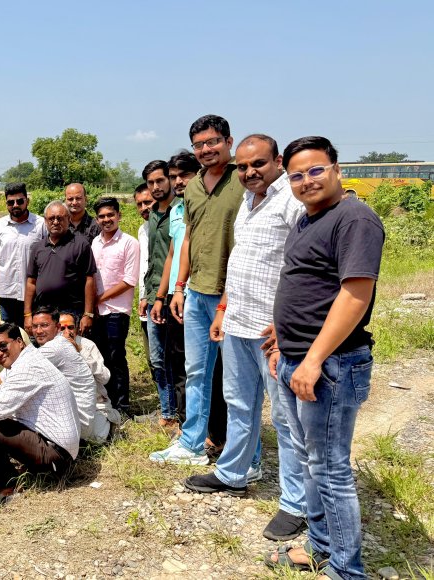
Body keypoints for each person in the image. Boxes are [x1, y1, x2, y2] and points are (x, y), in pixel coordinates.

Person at [266, 136, 383, 580]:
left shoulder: (355, 218)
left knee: (330, 470)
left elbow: (355, 294)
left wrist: (313, 360)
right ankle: (320, 547)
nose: (307, 181)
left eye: (316, 170)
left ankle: (346, 571)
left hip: (331, 365)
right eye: (296, 175)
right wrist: (283, 342)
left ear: (337, 169)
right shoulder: (307, 218)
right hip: (297, 359)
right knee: (310, 461)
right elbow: (306, 282)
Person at [182, 135, 308, 542]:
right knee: (239, 404)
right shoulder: (249, 203)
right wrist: (222, 310)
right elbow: (241, 262)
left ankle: (297, 503)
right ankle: (233, 473)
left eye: (258, 164)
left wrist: (289, 323)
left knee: (287, 419)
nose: (250, 172)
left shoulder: (292, 201)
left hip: (272, 331)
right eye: (243, 166)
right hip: (237, 322)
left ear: (278, 161)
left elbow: (306, 268)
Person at [151, 115, 244, 465]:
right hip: (196, 292)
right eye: (199, 144)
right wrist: (179, 287)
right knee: (196, 372)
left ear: (228, 142)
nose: (206, 149)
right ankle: (191, 443)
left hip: (232, 294)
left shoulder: (242, 180)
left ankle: (242, 453)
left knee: (235, 380)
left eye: (212, 142)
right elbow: (187, 238)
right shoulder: (192, 188)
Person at [0, 323, 79, 511]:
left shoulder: (27, 368)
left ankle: (7, 490)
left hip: (57, 456)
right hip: (59, 448)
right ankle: (26, 471)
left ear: (19, 342)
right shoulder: (23, 361)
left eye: (3, 346)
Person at [151, 151, 199, 425]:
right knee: (176, 359)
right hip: (174, 295)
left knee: (197, 363)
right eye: (174, 176)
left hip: (196, 292)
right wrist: (161, 296)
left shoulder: (203, 207)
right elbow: (172, 255)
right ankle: (183, 420)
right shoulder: (177, 210)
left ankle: (202, 424)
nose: (178, 181)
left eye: (184, 175)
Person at [31, 307, 112, 443]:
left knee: (96, 439)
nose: (67, 332)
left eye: (71, 327)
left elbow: (105, 378)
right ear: (57, 328)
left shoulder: (87, 345)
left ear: (77, 329)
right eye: (62, 328)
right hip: (64, 407)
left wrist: (79, 353)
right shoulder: (48, 347)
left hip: (95, 405)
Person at [140, 161, 181, 428]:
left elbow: (176, 256)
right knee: (157, 358)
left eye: (160, 181)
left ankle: (178, 414)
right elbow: (154, 260)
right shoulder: (153, 214)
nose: (155, 187)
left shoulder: (181, 210)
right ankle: (168, 411)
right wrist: (148, 294)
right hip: (155, 294)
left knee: (176, 359)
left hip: (174, 295)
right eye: (151, 183)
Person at [91, 197, 140, 414]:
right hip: (97, 311)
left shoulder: (129, 243)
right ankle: (107, 403)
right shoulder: (95, 242)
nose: (106, 219)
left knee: (116, 357)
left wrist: (100, 298)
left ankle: (123, 406)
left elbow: (129, 280)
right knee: (101, 357)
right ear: (97, 220)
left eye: (110, 215)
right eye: (101, 216)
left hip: (116, 311)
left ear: (119, 215)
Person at [24, 200, 97, 334]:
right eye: (51, 218)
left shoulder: (81, 244)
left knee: (70, 345)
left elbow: (89, 280)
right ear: (45, 221)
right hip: (43, 311)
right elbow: (31, 282)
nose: (56, 222)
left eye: (60, 218)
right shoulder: (38, 247)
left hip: (71, 312)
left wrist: (88, 314)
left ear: (69, 219)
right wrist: (27, 314)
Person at [0, 182, 45, 326]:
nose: (15, 205)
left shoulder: (41, 224)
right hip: (7, 294)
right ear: (6, 203)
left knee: (34, 332)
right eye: (10, 202)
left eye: (20, 201)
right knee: (10, 334)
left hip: (34, 293)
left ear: (27, 201)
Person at [133, 184, 155, 383]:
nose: (143, 208)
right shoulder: (142, 230)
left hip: (159, 300)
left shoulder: (169, 226)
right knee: (152, 357)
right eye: (139, 204)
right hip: (145, 301)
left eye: (147, 202)